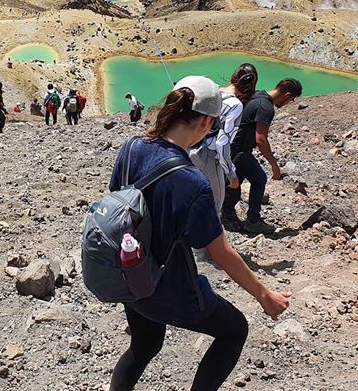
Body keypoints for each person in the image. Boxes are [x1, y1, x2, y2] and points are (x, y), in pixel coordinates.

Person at [107, 76, 291, 391]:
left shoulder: (132, 146)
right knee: (234, 330)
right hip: (166, 285)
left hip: (129, 272)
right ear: (206, 122)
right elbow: (221, 253)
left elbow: (118, 195)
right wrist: (264, 295)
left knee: (145, 344)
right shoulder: (192, 182)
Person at [226, 78, 302, 234]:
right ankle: (252, 221)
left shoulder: (257, 95)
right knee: (259, 179)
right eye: (292, 99)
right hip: (240, 150)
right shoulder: (266, 107)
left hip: (232, 147)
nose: (290, 102)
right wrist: (274, 165)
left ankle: (226, 213)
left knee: (235, 181)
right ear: (287, 95)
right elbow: (260, 138)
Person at [189, 63, 258, 220]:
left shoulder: (214, 92)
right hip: (209, 156)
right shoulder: (235, 105)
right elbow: (222, 143)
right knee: (214, 204)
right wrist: (231, 174)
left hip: (189, 148)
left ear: (233, 77)